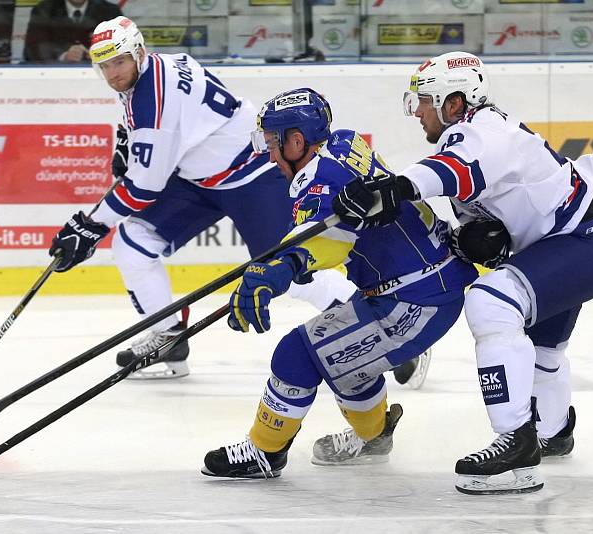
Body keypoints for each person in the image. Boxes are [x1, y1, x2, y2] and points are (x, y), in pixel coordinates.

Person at [332, 51, 593, 494]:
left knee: (492, 303)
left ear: (454, 103)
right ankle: (552, 430)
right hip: (565, 240)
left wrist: (397, 186)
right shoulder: (467, 139)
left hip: (586, 242)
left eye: (425, 102)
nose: (418, 113)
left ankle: (516, 445)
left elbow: (458, 168)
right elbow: (480, 217)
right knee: (543, 351)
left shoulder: (486, 133)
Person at [48, 17, 357, 380]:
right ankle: (169, 339)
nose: (113, 73)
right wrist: (128, 140)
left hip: (251, 175)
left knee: (288, 270)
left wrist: (90, 225)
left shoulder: (153, 101)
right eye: (105, 65)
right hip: (198, 177)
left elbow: (144, 186)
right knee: (133, 243)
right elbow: (148, 121)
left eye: (119, 62)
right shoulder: (155, 67)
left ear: (138, 53)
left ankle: (369, 318)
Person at [201, 88, 478, 479]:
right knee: (346, 363)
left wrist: (283, 267)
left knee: (296, 352)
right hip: (426, 281)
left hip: (414, 299)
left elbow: (326, 238)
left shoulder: (316, 183)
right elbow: (342, 223)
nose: (271, 155)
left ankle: (265, 451)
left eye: (272, 144)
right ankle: (375, 436)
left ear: (296, 141)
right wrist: (282, 261)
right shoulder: (345, 141)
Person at [23, 0, 122, 63]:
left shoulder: (110, 11)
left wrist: (98, 54)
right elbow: (32, 49)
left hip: (101, 80)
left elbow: (122, 47)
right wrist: (63, 56)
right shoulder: (43, 10)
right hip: (55, 80)